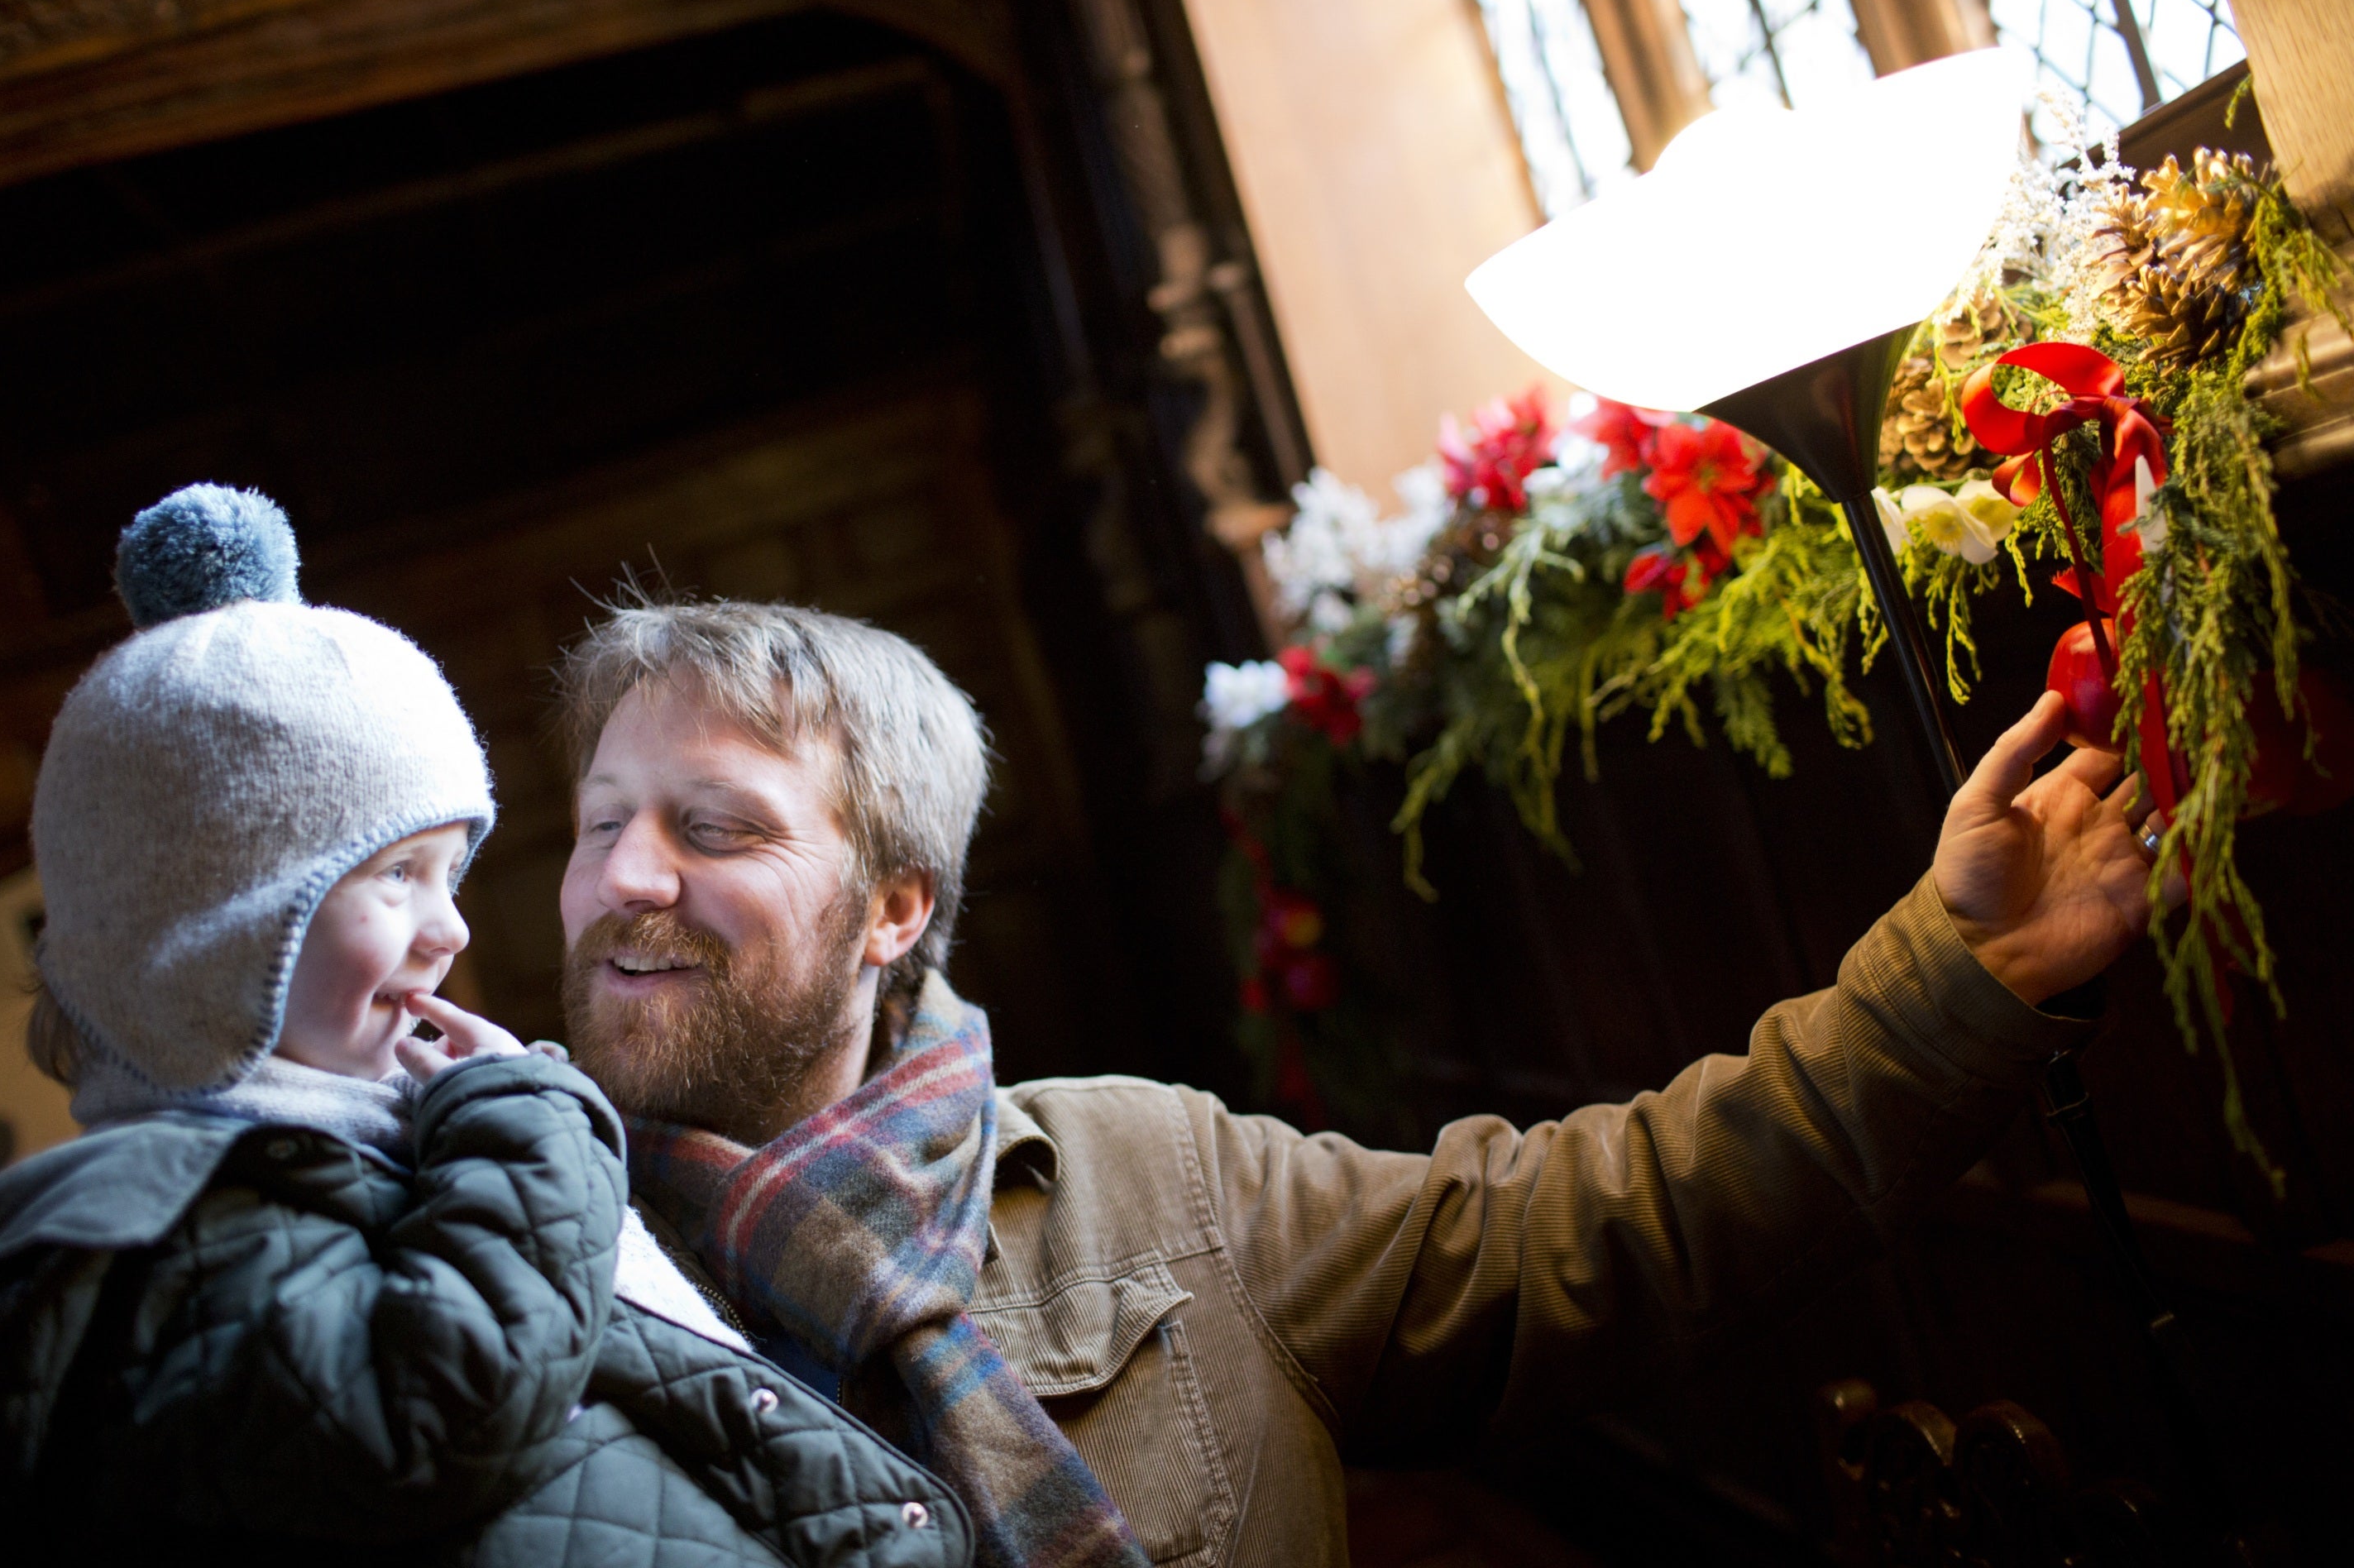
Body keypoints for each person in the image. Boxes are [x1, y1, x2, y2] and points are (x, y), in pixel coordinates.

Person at [553, 595, 2170, 1568]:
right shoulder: (499, 1271)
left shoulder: (1153, 1179)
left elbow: (1607, 1223)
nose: (623, 875)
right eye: (598, 819)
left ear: (894, 907)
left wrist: (1965, 982)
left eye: (715, 826)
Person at [0, 490, 969, 1567]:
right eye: (398, 874)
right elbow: (441, 1406)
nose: (449, 926)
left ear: (894, 908)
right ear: (220, 925)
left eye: (452, 872)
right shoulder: (170, 1229)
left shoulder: (395, 1152)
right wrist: (534, 1115)